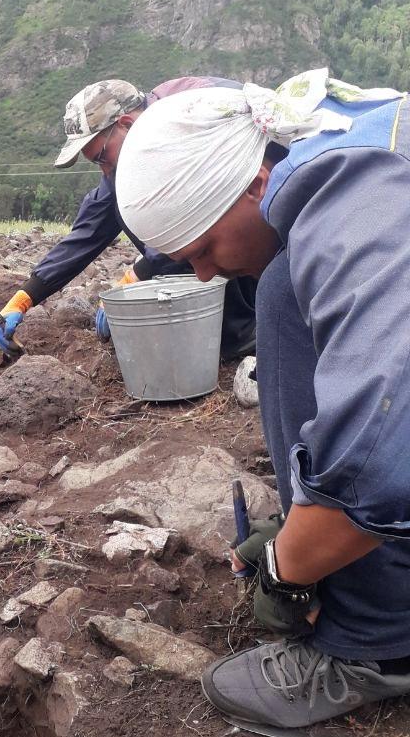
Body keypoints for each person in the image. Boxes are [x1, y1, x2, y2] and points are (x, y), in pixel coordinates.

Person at [113, 68, 410, 730]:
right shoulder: (330, 137)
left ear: (254, 184)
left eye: (203, 246)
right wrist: (308, 519)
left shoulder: (353, 208)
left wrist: (290, 565)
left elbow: (384, 451)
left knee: (281, 292)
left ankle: (378, 644)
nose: (204, 271)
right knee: (282, 287)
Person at [0, 78, 257, 360]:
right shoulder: (127, 161)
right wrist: (24, 298)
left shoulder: (189, 124)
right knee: (122, 206)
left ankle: (245, 328)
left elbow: (195, 214)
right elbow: (88, 232)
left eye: (102, 157)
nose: (105, 171)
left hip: (267, 218)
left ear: (127, 124)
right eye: (97, 163)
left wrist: (135, 277)